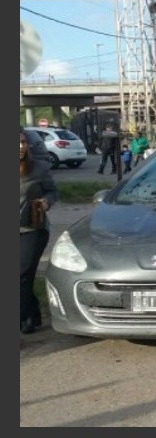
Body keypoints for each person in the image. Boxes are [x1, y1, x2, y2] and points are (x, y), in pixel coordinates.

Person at [20, 126, 58, 334]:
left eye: (24, 142)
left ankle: (24, 318)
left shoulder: (38, 169)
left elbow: (52, 192)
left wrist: (46, 201)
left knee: (21, 275)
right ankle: (33, 312)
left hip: (33, 230)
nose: (20, 146)